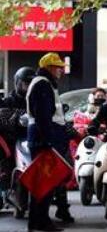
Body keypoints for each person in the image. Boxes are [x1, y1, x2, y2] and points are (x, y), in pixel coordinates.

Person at [26, 53, 73, 232]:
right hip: (44, 140)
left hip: (44, 138)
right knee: (44, 184)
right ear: (48, 68)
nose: (60, 70)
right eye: (57, 66)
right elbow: (43, 117)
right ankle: (41, 222)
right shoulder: (43, 84)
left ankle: (38, 222)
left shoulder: (45, 84)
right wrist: (49, 142)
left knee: (43, 184)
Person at [0, 67, 35, 203]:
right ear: (17, 83)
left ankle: (61, 202)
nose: (27, 87)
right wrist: (16, 118)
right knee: (6, 160)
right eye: (25, 83)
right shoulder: (8, 101)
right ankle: (5, 188)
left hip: (33, 138)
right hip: (13, 138)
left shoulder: (36, 100)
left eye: (30, 84)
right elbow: (3, 119)